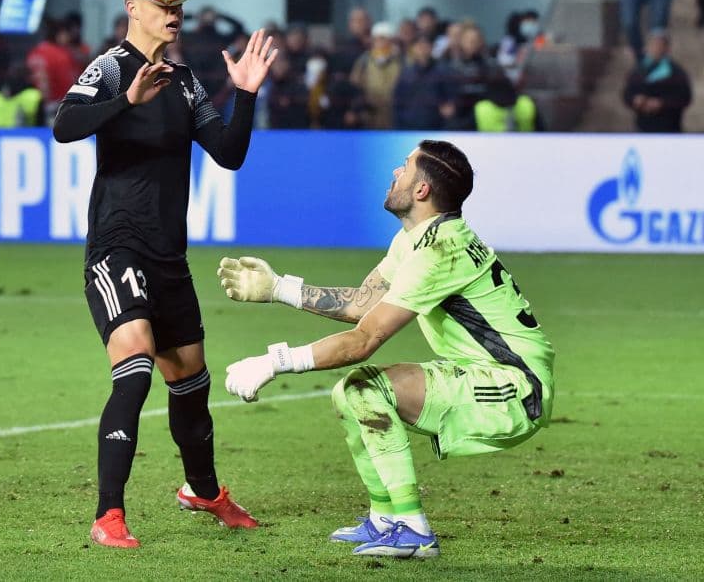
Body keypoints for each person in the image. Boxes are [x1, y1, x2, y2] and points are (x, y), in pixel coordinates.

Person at [219, 139, 555, 559]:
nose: (396, 172)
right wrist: (280, 289)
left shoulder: (440, 250)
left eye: (405, 167)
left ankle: (414, 530)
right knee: (351, 392)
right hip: (488, 375)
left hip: (515, 389)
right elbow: (363, 304)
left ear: (421, 191)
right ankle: (386, 517)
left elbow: (363, 341)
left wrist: (276, 361)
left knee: (370, 388)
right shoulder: (416, 239)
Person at [52, 0, 278, 549]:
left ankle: (202, 490)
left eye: (179, 3)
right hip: (116, 246)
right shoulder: (109, 68)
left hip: (168, 257)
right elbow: (64, 126)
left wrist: (246, 94)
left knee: (189, 381)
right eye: (161, 2)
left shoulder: (185, 81)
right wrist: (125, 101)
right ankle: (108, 515)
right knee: (135, 364)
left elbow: (228, 155)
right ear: (133, 6)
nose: (173, 12)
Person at [622, 28, 692, 133]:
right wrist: (635, 100)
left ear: (667, 48)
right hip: (642, 128)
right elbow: (627, 94)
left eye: (659, 45)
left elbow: (685, 97)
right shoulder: (638, 71)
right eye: (652, 45)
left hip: (670, 128)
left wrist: (662, 103)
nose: (655, 48)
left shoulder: (676, 73)